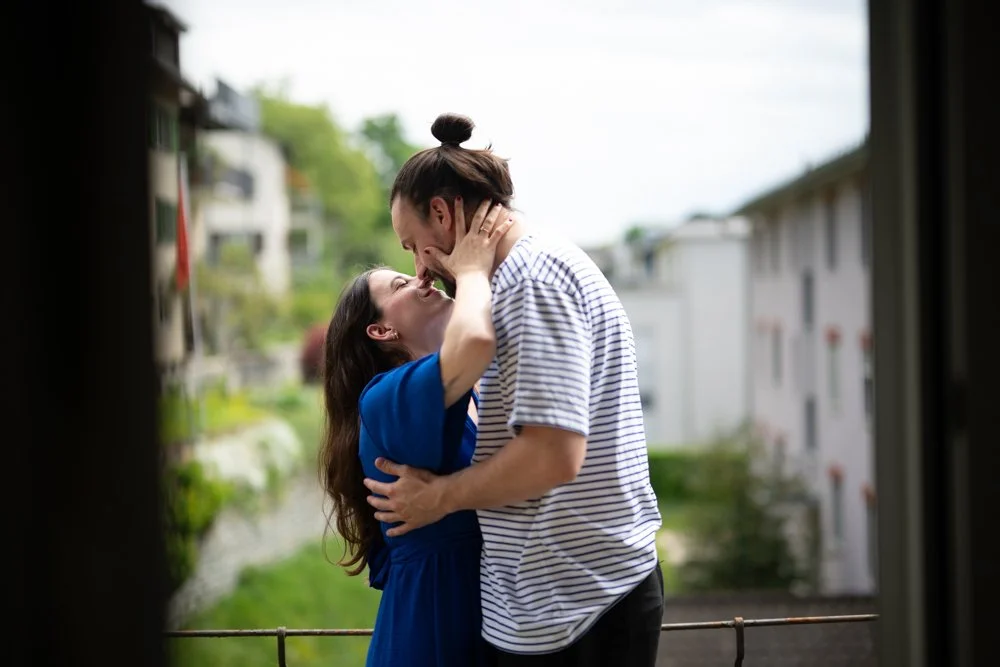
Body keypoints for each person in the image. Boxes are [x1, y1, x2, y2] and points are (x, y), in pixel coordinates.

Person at [363, 112, 665, 666]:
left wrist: (437, 498)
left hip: (575, 605)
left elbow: (552, 455)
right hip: (563, 598)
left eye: (414, 246)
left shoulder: (529, 281)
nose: (421, 269)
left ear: (441, 213)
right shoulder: (526, 272)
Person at [318, 200, 514, 667]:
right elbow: (475, 342)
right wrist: (470, 271)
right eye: (402, 284)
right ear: (381, 330)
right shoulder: (383, 400)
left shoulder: (472, 396)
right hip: (430, 631)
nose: (422, 276)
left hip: (482, 624)